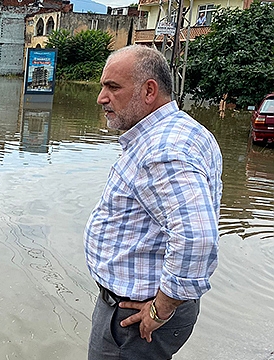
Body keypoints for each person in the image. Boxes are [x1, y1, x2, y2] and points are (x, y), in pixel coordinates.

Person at [84, 45, 223, 360]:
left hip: (134, 318)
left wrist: (160, 310)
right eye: (102, 86)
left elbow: (197, 238)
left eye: (113, 87)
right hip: (137, 307)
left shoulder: (165, 149)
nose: (101, 98)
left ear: (149, 91)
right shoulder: (184, 131)